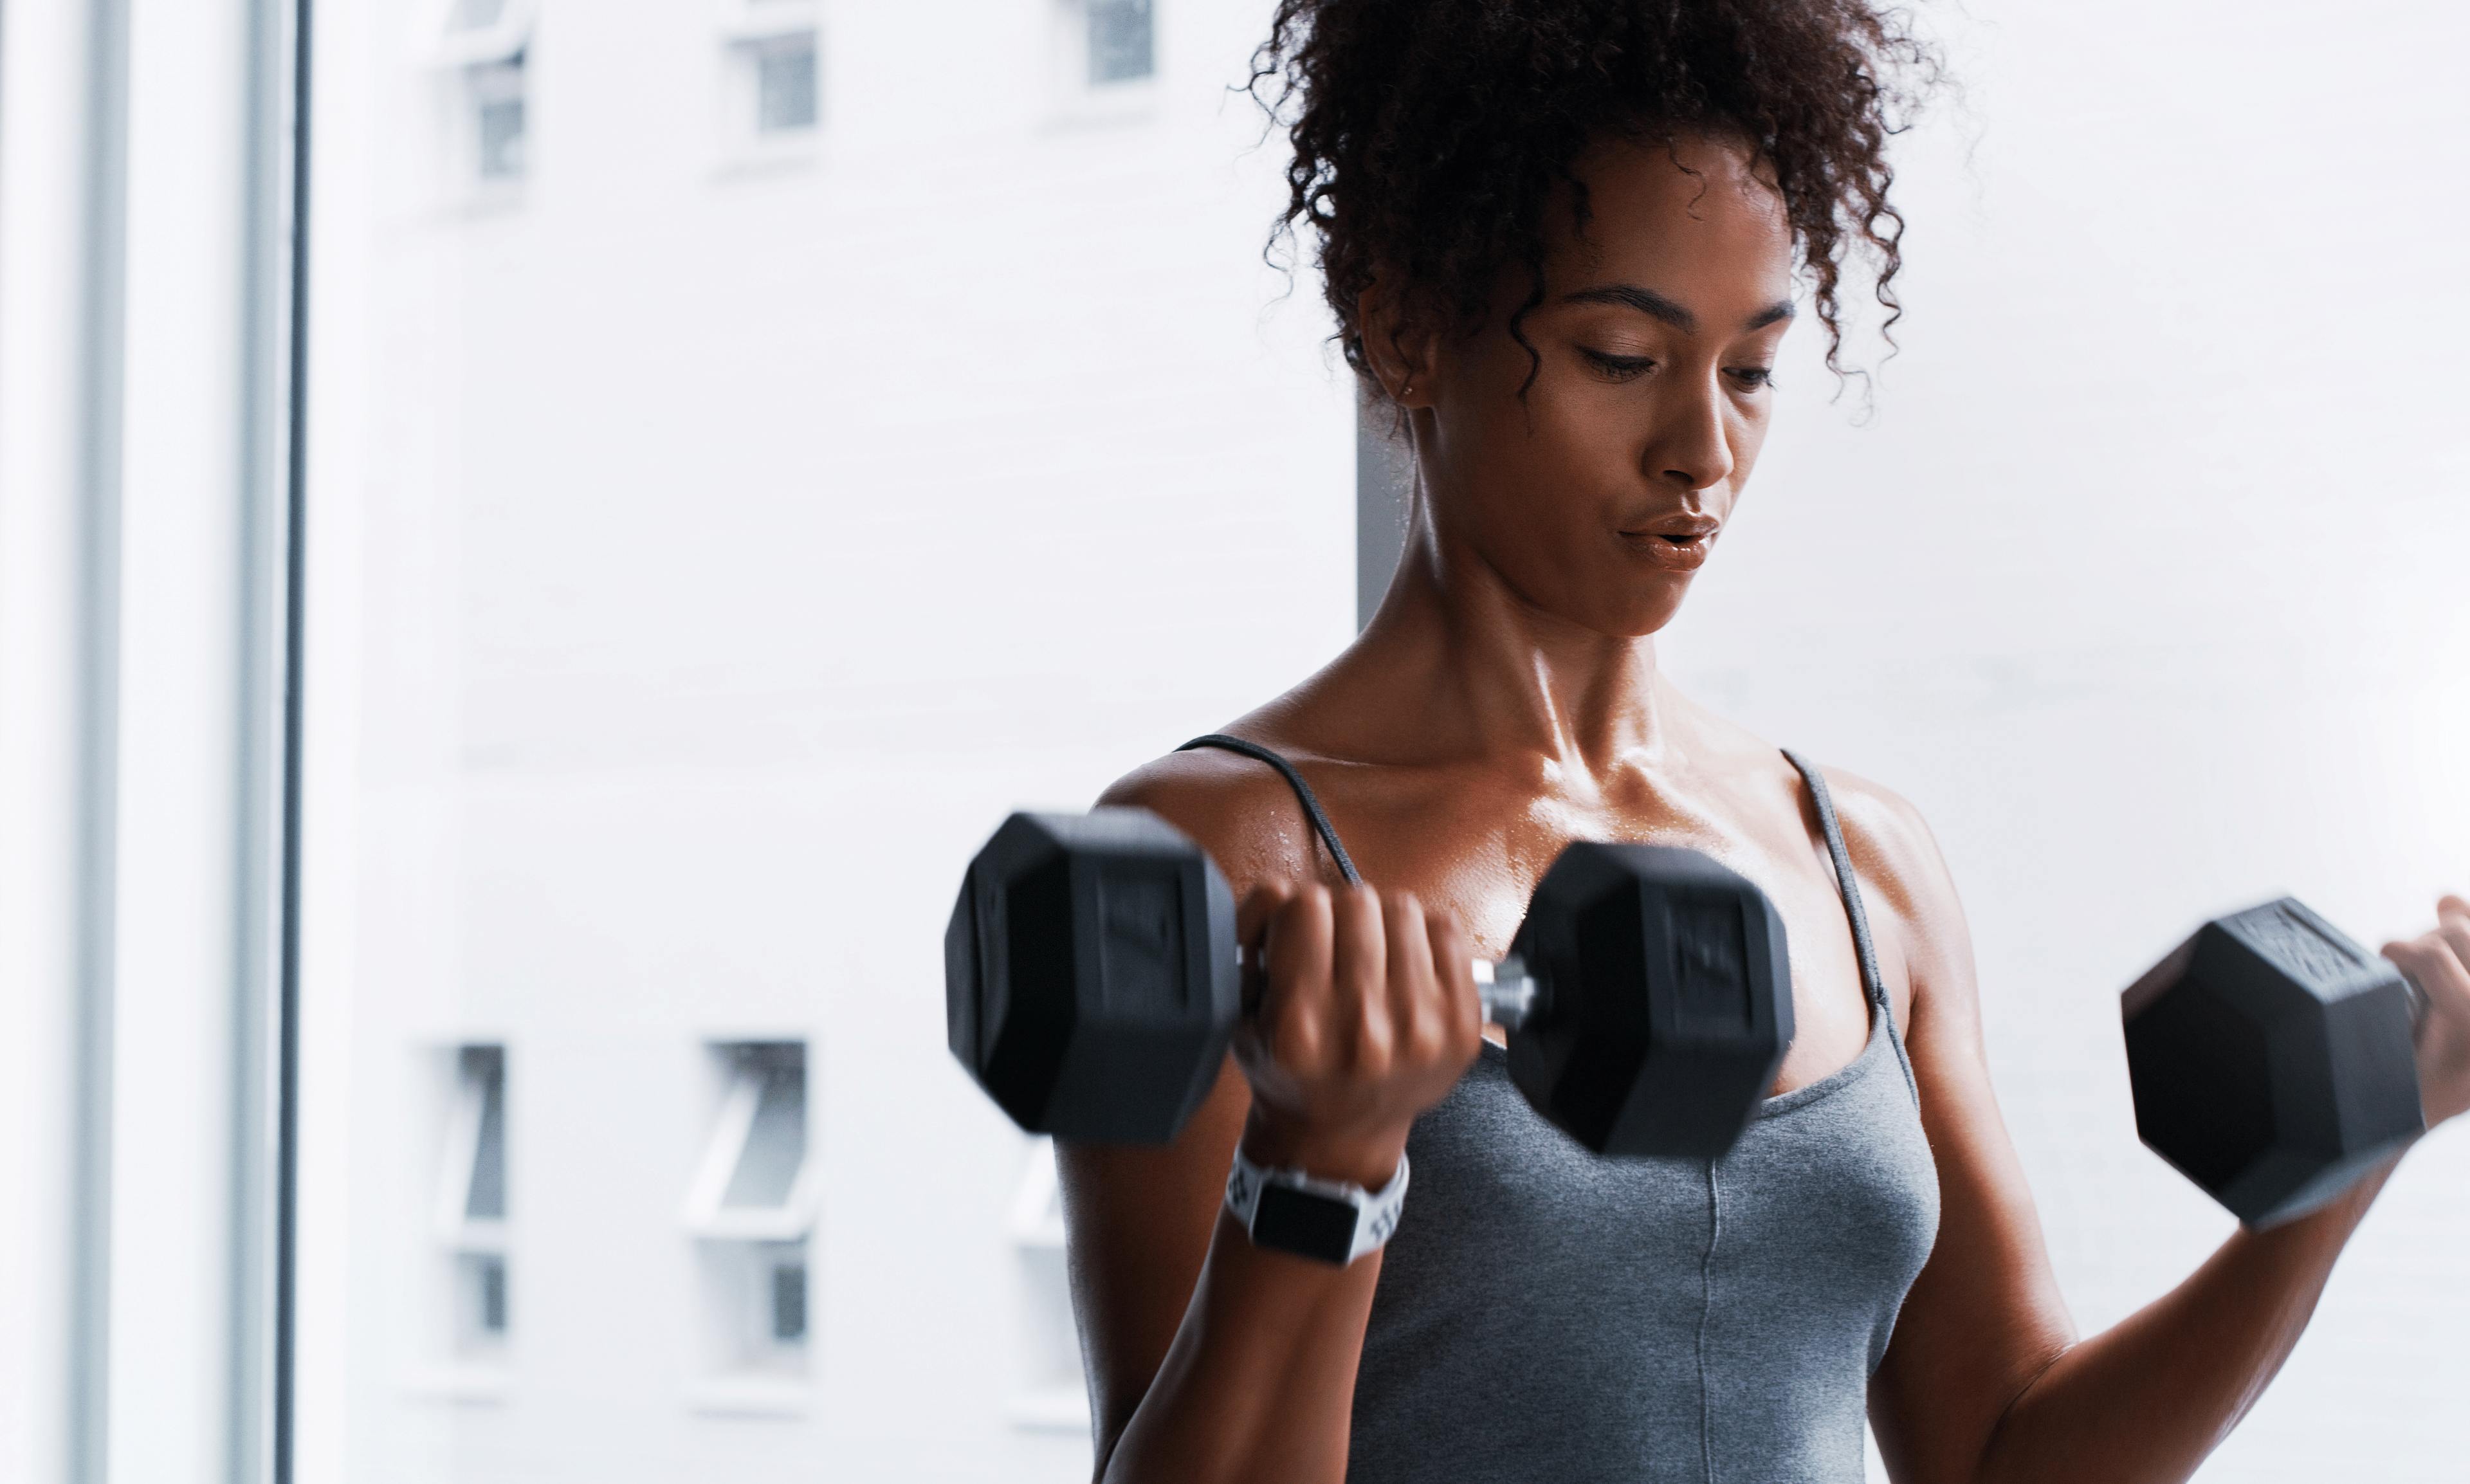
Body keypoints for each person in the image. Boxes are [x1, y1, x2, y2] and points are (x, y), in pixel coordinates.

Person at [1056, 3, 2470, 1480]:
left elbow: (1998, 1451)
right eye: (1620, 354)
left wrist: (2340, 1168)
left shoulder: (1861, 862)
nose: (1702, 453)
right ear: (1410, 320)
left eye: (1750, 371)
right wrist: (1319, 1167)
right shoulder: (1220, 864)